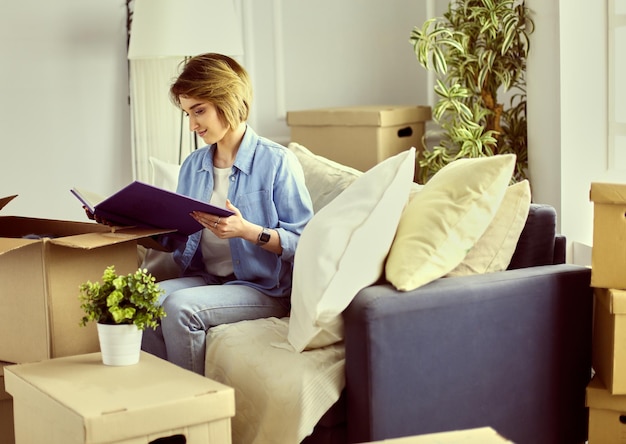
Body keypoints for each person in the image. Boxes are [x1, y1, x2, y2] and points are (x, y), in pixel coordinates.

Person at [141, 53, 314, 375]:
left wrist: (248, 231)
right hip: (207, 279)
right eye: (187, 113)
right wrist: (130, 225)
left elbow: (305, 241)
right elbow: (179, 237)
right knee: (142, 299)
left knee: (179, 308)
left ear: (228, 101)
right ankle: (159, 404)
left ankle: (194, 409)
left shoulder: (277, 162)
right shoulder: (194, 165)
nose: (193, 125)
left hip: (263, 288)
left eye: (199, 111)